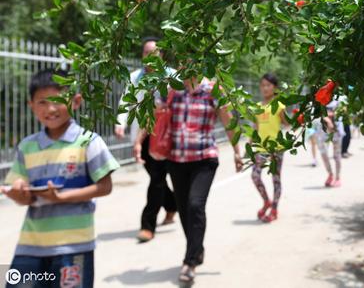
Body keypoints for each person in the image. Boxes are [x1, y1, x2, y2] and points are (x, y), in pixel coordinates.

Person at [1, 69, 119, 288]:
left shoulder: (88, 141)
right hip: (30, 245)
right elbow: (23, 193)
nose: (51, 108)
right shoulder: (27, 146)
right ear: (31, 106)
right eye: (42, 102)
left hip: (73, 246)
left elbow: (105, 186)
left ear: (75, 101)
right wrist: (19, 192)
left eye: (57, 100)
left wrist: (62, 197)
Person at [165, 73, 241, 284]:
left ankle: (189, 263)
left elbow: (228, 121)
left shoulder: (213, 89)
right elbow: (155, 115)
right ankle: (197, 250)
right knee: (183, 209)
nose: (188, 62)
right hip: (176, 159)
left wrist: (236, 150)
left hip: (204, 158)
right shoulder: (172, 88)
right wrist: (137, 142)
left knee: (195, 205)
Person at [115, 37, 177, 243]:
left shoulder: (171, 77)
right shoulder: (135, 77)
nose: (150, 57)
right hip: (142, 134)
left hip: (164, 135)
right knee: (155, 176)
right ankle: (172, 205)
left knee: (157, 178)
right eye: (146, 53)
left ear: (161, 56)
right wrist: (120, 122)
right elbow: (126, 99)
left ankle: (147, 225)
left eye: (154, 53)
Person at [252, 73, 290, 223]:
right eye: (263, 85)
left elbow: (287, 123)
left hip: (276, 149)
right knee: (255, 176)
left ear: (275, 88)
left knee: (276, 179)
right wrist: (250, 145)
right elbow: (255, 129)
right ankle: (266, 201)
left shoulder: (279, 105)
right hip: (261, 149)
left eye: (268, 85)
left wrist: (297, 116)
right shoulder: (258, 107)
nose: (265, 88)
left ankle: (274, 208)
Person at [313, 100, 344, 188]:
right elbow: (314, 114)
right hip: (322, 130)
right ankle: (330, 174)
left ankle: (337, 178)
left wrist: (329, 117)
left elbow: (342, 112)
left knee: (337, 155)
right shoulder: (319, 98)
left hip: (336, 129)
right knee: (323, 153)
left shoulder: (339, 99)